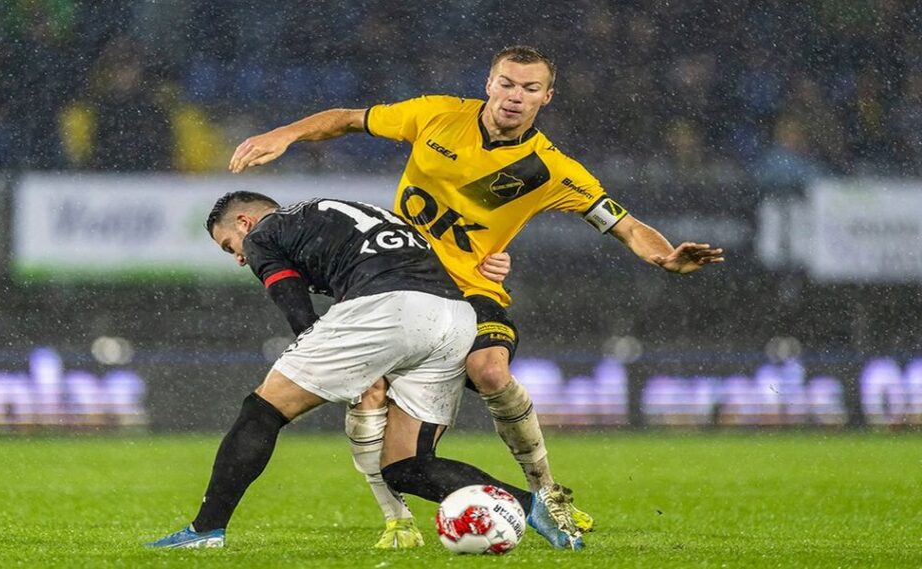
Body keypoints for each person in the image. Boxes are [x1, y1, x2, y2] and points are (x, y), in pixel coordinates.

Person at [227, 45, 726, 547]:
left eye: (530, 88)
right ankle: (397, 520)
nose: (515, 96)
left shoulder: (552, 169)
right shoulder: (437, 115)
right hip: (396, 282)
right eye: (507, 83)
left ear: (547, 97)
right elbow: (347, 119)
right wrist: (284, 134)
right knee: (374, 401)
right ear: (489, 83)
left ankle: (547, 491)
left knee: (489, 370)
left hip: (472, 290)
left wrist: (664, 257)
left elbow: (625, 224)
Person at [147, 191, 585, 550]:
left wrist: (319, 345)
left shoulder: (264, 233)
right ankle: (532, 505)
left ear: (244, 222)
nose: (239, 259)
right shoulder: (336, 212)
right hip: (453, 315)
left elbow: (293, 302)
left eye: (230, 246)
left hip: (387, 305)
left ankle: (205, 530)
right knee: (407, 465)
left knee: (261, 410)